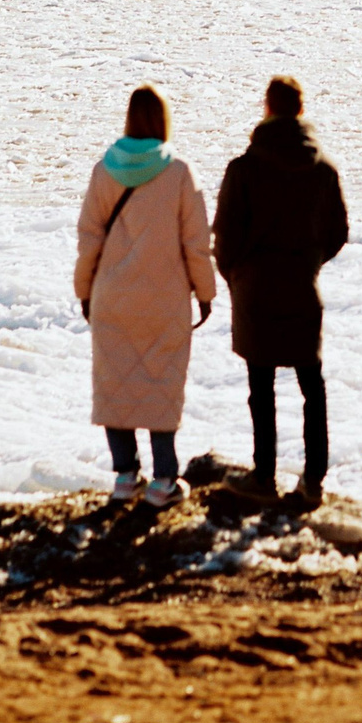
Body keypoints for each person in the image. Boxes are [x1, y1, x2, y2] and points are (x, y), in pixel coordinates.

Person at [74, 84, 216, 507]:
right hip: (165, 298)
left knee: (116, 385)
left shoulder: (103, 170)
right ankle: (164, 481)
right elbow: (196, 243)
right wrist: (205, 293)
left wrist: (84, 291)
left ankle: (124, 476)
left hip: (112, 297)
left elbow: (89, 240)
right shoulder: (178, 173)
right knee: (160, 384)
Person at [212, 74, 348, 506]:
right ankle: (313, 481)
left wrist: (237, 275)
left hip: (254, 290)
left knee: (261, 386)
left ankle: (264, 477)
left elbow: (224, 238)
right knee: (312, 385)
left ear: (266, 108)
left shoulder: (244, 168)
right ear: (301, 111)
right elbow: (338, 232)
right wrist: (308, 262)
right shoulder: (323, 169)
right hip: (302, 288)